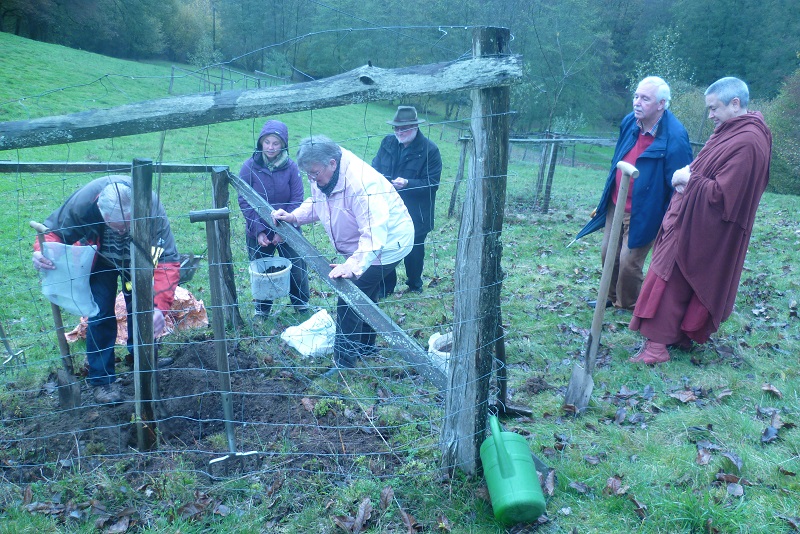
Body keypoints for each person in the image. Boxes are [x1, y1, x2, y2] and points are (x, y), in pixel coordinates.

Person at [630, 77, 772, 364]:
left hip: (706, 225)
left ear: (735, 104)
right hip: (691, 214)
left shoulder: (748, 141)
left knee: (667, 278)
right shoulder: (731, 129)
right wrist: (691, 173)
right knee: (674, 277)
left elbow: (723, 195)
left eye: (713, 108)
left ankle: (656, 348)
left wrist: (688, 179)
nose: (710, 116)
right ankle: (677, 337)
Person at [32, 175, 180, 404]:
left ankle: (142, 358)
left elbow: (167, 259)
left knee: (142, 307)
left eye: (128, 226)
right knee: (100, 314)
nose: (122, 232)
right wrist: (41, 252)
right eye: (116, 227)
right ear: (102, 213)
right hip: (101, 260)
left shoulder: (150, 205)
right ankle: (102, 380)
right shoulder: (85, 202)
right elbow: (53, 232)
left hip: (137, 261)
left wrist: (160, 307)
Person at [272, 135, 414, 370]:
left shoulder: (361, 183)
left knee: (349, 297)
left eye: (315, 174)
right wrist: (295, 216)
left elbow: (374, 233)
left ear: (333, 163)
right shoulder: (320, 172)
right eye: (308, 175)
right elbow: (318, 201)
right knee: (365, 294)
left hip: (388, 243)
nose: (312, 180)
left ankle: (344, 362)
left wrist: (353, 265)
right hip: (364, 243)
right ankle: (366, 347)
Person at [577, 76, 692, 310]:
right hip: (616, 203)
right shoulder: (630, 122)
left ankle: (627, 304)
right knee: (607, 253)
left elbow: (678, 184)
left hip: (646, 211)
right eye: (636, 96)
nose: (637, 102)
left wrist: (672, 219)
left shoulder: (676, 137)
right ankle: (609, 297)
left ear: (661, 104)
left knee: (629, 262)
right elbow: (618, 158)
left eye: (645, 98)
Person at [238, 119, 310, 316]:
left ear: (283, 145)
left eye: (276, 143)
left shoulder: (292, 168)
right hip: (257, 228)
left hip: (287, 226)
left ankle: (301, 304)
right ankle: (262, 309)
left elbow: (297, 199)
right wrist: (259, 231)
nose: (271, 147)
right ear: (261, 142)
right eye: (267, 142)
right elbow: (244, 200)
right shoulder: (249, 167)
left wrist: (283, 230)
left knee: (296, 265)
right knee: (261, 269)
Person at [371, 105, 442, 295]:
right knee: (386, 247)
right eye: (396, 128)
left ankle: (414, 285)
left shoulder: (430, 150)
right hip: (387, 208)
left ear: (416, 127)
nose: (399, 132)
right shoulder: (387, 143)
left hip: (416, 212)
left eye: (404, 128)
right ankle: (386, 288)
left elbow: (432, 183)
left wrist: (408, 184)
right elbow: (373, 169)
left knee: (414, 250)